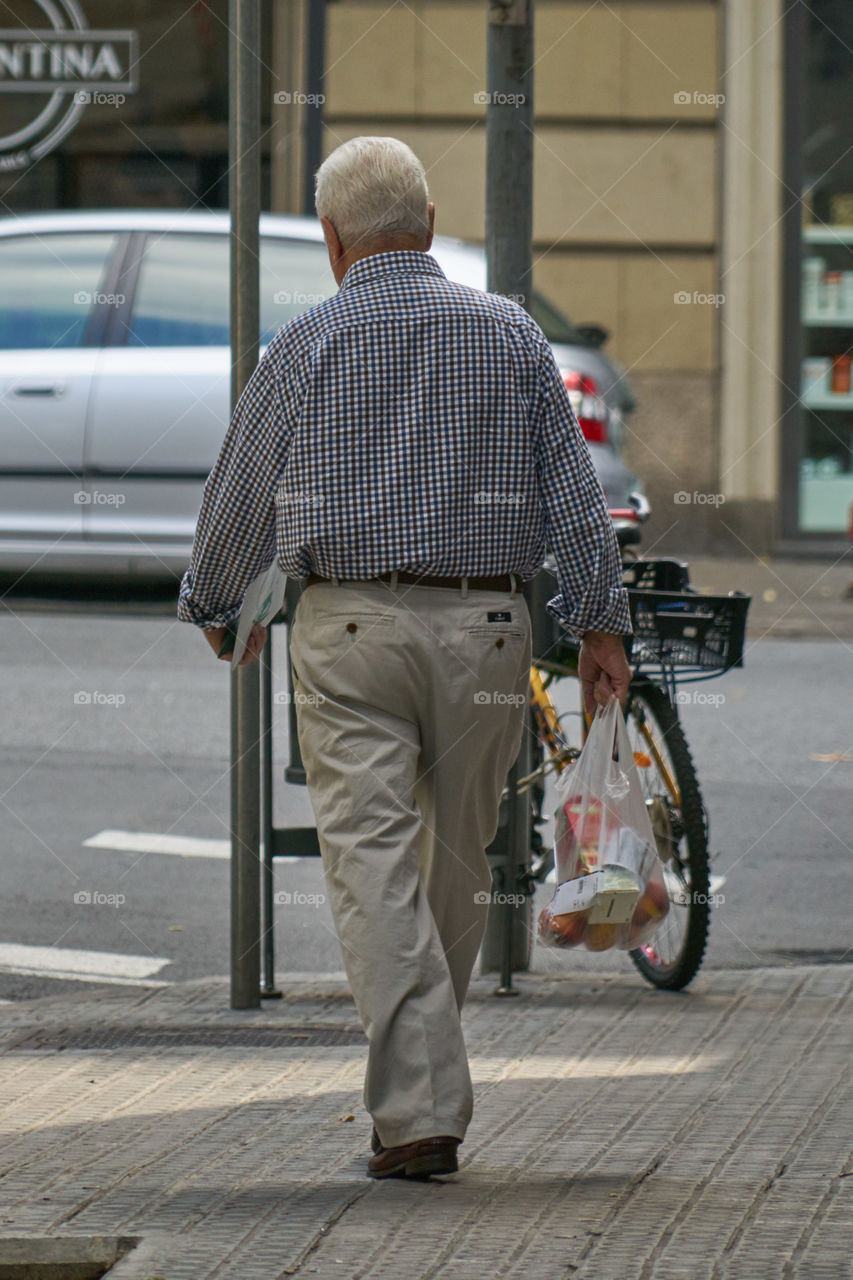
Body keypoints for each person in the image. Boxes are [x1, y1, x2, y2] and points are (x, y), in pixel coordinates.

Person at [178, 135, 633, 1180]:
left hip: (345, 633)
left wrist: (212, 598)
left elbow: (243, 484)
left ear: (334, 243)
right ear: (427, 228)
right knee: (457, 870)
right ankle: (419, 1099)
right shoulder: (511, 333)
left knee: (374, 864)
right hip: (485, 629)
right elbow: (571, 489)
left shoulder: (305, 343)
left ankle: (419, 1105)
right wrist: (600, 625)